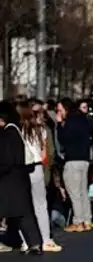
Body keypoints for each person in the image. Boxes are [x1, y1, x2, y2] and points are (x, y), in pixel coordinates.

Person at [0, 101, 43, 255]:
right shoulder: (16, 131)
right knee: (25, 213)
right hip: (20, 178)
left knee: (8, 210)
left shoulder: (6, 134)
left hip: (7, 179)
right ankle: (35, 243)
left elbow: (5, 159)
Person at [19, 103, 62, 252]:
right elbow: (45, 155)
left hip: (21, 169)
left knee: (24, 207)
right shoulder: (42, 130)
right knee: (41, 205)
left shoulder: (18, 130)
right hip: (37, 168)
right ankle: (46, 239)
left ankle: (26, 241)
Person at [57, 98, 93, 233]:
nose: (59, 112)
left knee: (74, 193)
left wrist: (59, 124)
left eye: (60, 110)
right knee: (83, 191)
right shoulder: (83, 119)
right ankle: (87, 220)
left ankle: (78, 221)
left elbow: (63, 139)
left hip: (72, 160)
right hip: (84, 159)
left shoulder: (69, 122)